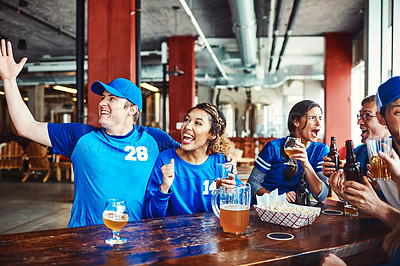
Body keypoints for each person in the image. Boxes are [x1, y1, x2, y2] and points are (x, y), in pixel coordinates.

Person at [0, 39, 179, 227]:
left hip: (135, 241)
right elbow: (26, 127)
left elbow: (191, 155)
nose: (102, 103)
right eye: (103, 98)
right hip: (85, 240)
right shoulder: (80, 136)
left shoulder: (154, 139)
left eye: (112, 99)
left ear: (132, 109)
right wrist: (9, 80)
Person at [322, 77, 400, 265]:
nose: (360, 122)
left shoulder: (390, 160)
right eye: (399, 112)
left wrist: (377, 205)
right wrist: (342, 191)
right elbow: (360, 203)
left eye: (366, 116)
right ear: (383, 118)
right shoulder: (362, 153)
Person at [143, 103, 242, 218]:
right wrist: (164, 187)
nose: (187, 126)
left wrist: (232, 193)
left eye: (198, 123)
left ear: (213, 134)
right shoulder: (165, 160)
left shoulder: (221, 162)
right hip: (175, 234)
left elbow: (243, 205)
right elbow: (150, 216)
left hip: (212, 233)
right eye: (186, 120)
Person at [247, 100, 329, 203]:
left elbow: (321, 196)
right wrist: (278, 198)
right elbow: (252, 184)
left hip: (300, 211)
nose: (318, 124)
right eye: (312, 118)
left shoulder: (321, 150)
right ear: (296, 122)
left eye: (320, 118)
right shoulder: (273, 147)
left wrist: (306, 164)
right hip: (270, 208)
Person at [323, 95, 390, 177]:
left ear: (384, 119)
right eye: (360, 116)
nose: (359, 122)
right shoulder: (358, 152)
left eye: (367, 115)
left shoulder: (395, 152)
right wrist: (333, 174)